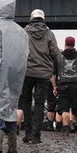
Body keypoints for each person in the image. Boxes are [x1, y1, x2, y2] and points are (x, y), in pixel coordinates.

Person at [0, 0, 29, 153]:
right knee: (11, 107)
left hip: (1, 72)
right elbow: (25, 55)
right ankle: (13, 147)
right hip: (17, 74)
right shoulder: (21, 30)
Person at [19, 8, 60, 145]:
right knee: (39, 103)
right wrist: (56, 73)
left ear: (31, 18)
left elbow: (19, 50)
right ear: (43, 19)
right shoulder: (49, 34)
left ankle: (28, 133)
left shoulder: (24, 32)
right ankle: (36, 136)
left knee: (25, 101)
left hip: (27, 71)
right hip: (43, 73)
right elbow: (55, 53)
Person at [55, 35, 77, 135]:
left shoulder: (58, 57)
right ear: (74, 44)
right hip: (76, 85)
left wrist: (54, 86)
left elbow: (54, 73)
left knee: (64, 108)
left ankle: (66, 129)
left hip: (63, 85)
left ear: (65, 44)